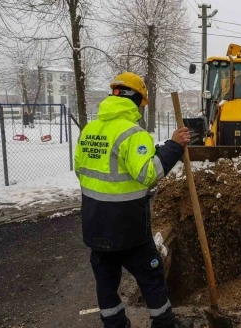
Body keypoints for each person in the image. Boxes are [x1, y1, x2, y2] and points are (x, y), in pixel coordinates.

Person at [74, 72, 192, 328]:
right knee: (151, 274)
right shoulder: (132, 133)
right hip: (126, 226)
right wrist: (173, 147)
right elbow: (147, 175)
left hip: (94, 222)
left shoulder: (90, 129)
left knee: (106, 282)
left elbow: (80, 171)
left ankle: (115, 325)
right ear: (138, 100)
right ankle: (164, 324)